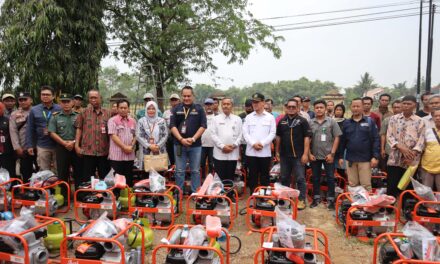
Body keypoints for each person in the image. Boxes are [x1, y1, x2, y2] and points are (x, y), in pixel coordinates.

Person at [386, 95, 425, 199]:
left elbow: (422, 139)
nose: (406, 106)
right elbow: (389, 136)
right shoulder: (394, 119)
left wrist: (413, 153)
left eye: (409, 104)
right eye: (404, 103)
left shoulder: (420, 121)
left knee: (408, 186)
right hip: (395, 158)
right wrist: (400, 147)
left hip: (411, 159)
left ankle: (406, 209)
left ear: (415, 105)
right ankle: (389, 209)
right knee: (392, 184)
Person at [170, 86, 207, 193]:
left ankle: (195, 193)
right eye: (184, 96)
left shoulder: (199, 109)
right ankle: (179, 193)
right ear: (182, 96)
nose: (186, 98)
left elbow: (203, 126)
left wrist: (193, 139)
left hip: (195, 145)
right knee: (179, 170)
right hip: (179, 145)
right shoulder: (176, 109)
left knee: (195, 170)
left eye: (189, 96)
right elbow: (172, 126)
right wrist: (181, 139)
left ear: (193, 96)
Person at [275, 98, 310, 210]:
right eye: (289, 107)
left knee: (300, 178)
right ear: (286, 108)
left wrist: (305, 154)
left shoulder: (302, 121)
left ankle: (301, 200)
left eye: (293, 107)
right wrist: (277, 151)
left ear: (297, 108)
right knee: (284, 177)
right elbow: (278, 137)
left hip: (299, 155)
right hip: (285, 155)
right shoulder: (282, 121)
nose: (291, 109)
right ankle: (286, 199)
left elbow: (307, 138)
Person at [338, 98, 380, 191]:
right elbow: (343, 141)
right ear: (350, 107)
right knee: (353, 185)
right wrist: (341, 156)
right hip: (351, 159)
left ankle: (365, 205)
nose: (356, 108)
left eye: (358, 106)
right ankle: (355, 205)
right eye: (354, 106)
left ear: (362, 107)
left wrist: (375, 156)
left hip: (365, 159)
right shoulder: (346, 123)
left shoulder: (370, 122)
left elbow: (376, 139)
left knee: (366, 185)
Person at [309, 100, 342, 210]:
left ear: (325, 108)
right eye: (317, 107)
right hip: (314, 156)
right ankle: (316, 198)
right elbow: (307, 139)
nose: (319, 109)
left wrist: (332, 154)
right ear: (314, 109)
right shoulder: (310, 122)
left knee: (330, 178)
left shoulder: (332, 122)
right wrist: (309, 153)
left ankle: (331, 199)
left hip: (328, 156)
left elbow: (337, 137)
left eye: (321, 107)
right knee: (315, 177)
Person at [75, 90, 111, 181]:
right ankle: (87, 195)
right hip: (87, 152)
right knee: (87, 179)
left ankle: (104, 195)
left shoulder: (108, 113)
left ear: (100, 98)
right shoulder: (83, 113)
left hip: (104, 152)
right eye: (91, 98)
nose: (93, 100)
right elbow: (79, 128)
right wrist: (76, 146)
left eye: (95, 97)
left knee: (105, 177)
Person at [243, 93, 276, 193]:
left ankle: (263, 196)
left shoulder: (270, 117)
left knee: (264, 176)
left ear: (263, 103)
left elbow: (272, 133)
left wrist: (262, 143)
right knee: (252, 175)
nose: (255, 104)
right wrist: (253, 143)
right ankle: (254, 196)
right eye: (253, 102)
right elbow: (245, 133)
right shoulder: (248, 117)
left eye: (257, 102)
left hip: (264, 152)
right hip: (251, 152)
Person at [25, 85, 61, 172]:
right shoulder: (34, 110)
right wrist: (29, 145)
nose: (45, 96)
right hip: (42, 145)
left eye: (47, 94)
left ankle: (60, 186)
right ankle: (47, 186)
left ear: (53, 96)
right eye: (43, 94)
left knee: (59, 170)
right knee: (44, 172)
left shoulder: (59, 108)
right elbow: (30, 128)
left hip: (58, 145)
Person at [48, 94, 79, 190]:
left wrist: (73, 142)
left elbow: (82, 131)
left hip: (76, 146)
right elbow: (52, 132)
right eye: (63, 102)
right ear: (60, 103)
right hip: (62, 147)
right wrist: (64, 143)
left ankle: (79, 195)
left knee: (78, 172)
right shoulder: (55, 117)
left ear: (73, 103)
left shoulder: (78, 116)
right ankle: (65, 196)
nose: (66, 104)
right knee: (62, 173)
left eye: (68, 101)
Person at [211, 98, 242, 181]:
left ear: (232, 106)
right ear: (221, 106)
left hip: (233, 154)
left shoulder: (238, 119)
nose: (226, 106)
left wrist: (234, 145)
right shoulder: (215, 119)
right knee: (220, 179)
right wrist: (222, 146)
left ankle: (229, 194)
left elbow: (241, 135)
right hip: (219, 154)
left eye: (228, 104)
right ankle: (220, 194)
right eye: (224, 104)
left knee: (230, 178)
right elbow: (213, 135)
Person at [108, 99, 137, 185]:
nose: (123, 109)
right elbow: (113, 135)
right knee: (117, 180)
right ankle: (116, 197)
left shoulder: (133, 121)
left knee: (128, 179)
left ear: (128, 109)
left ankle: (128, 197)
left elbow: (136, 135)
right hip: (117, 156)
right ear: (117, 109)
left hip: (129, 156)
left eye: (125, 108)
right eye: (121, 108)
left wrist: (131, 146)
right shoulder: (112, 120)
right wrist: (124, 147)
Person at [9, 92, 35, 182]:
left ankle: (41, 192)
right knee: (25, 171)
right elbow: (13, 132)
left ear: (31, 100)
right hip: (23, 147)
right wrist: (17, 147)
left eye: (25, 99)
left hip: (38, 146)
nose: (23, 102)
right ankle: (27, 192)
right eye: (21, 100)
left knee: (41, 171)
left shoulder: (37, 111)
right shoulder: (14, 114)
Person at [136, 101, 168, 172]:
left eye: (153, 108)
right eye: (149, 108)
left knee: (159, 173)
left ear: (156, 110)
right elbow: (138, 135)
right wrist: (149, 146)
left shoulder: (161, 121)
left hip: (159, 150)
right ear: (146, 110)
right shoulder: (141, 121)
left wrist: (158, 146)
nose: (151, 110)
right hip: (146, 151)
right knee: (146, 175)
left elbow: (165, 135)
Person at [420, 108, 440, 191]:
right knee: (427, 193)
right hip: (427, 166)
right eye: (436, 116)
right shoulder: (427, 131)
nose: (438, 118)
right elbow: (421, 148)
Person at [379, 100, 402, 171]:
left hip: (402, 150)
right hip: (389, 149)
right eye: (394, 107)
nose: (396, 109)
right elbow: (383, 135)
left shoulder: (406, 120)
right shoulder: (387, 120)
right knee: (389, 170)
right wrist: (382, 149)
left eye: (398, 107)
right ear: (392, 108)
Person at [163, 93, 181, 166]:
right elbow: (163, 127)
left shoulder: (182, 112)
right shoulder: (166, 113)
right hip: (169, 138)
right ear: (170, 102)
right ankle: (172, 171)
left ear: (179, 101)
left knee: (179, 155)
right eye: (172, 100)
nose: (174, 102)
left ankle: (179, 170)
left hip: (179, 138)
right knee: (170, 155)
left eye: (175, 100)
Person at [201, 98, 215, 178]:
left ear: (213, 106)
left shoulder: (217, 117)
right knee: (201, 163)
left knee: (211, 163)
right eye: (207, 105)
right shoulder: (201, 116)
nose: (209, 107)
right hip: (202, 145)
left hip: (213, 145)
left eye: (210, 105)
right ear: (204, 106)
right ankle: (202, 179)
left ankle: (211, 179)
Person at [0, 102, 15, 177]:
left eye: (0, 108)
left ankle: (13, 187)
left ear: (3, 109)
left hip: (7, 151)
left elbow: (13, 134)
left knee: (10, 171)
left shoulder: (8, 120)